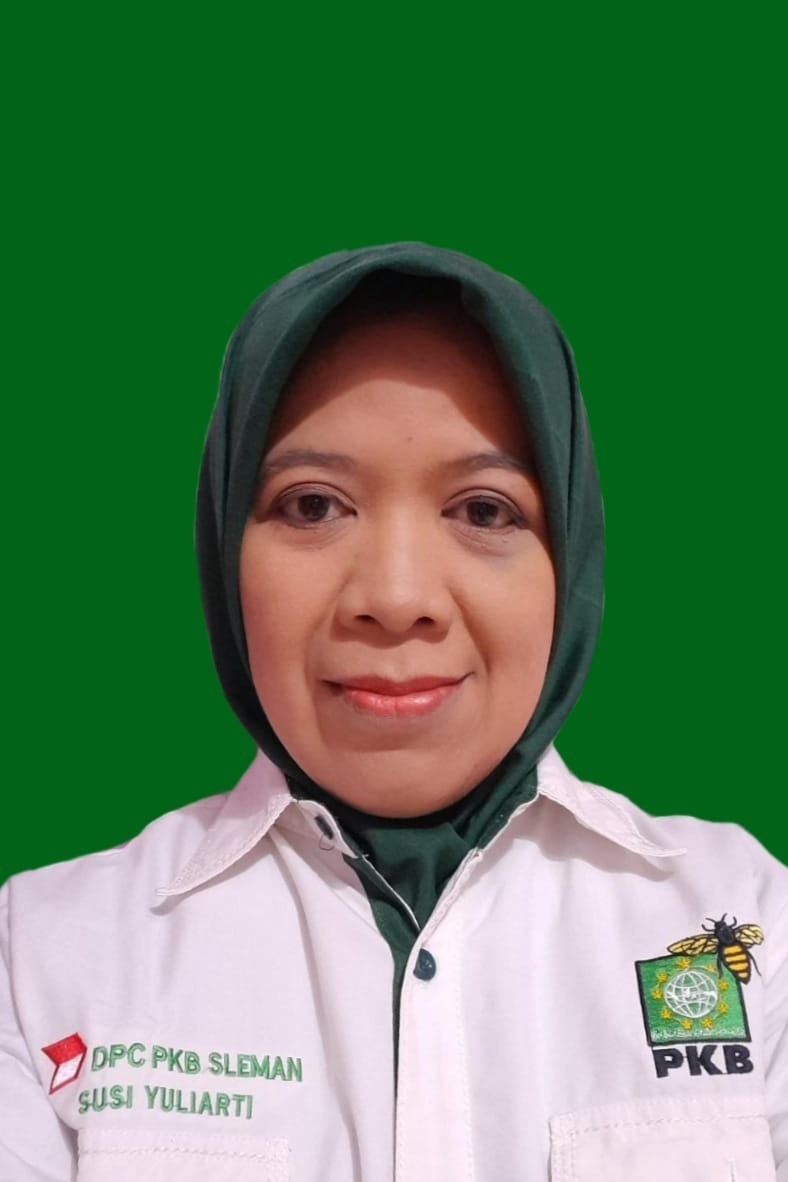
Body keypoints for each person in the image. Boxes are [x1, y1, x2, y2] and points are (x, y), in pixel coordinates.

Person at [1, 242, 785, 1181]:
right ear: (224, 548)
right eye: (313, 505)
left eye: (485, 511)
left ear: (569, 556)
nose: (397, 596)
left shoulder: (753, 921)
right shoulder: (41, 957)